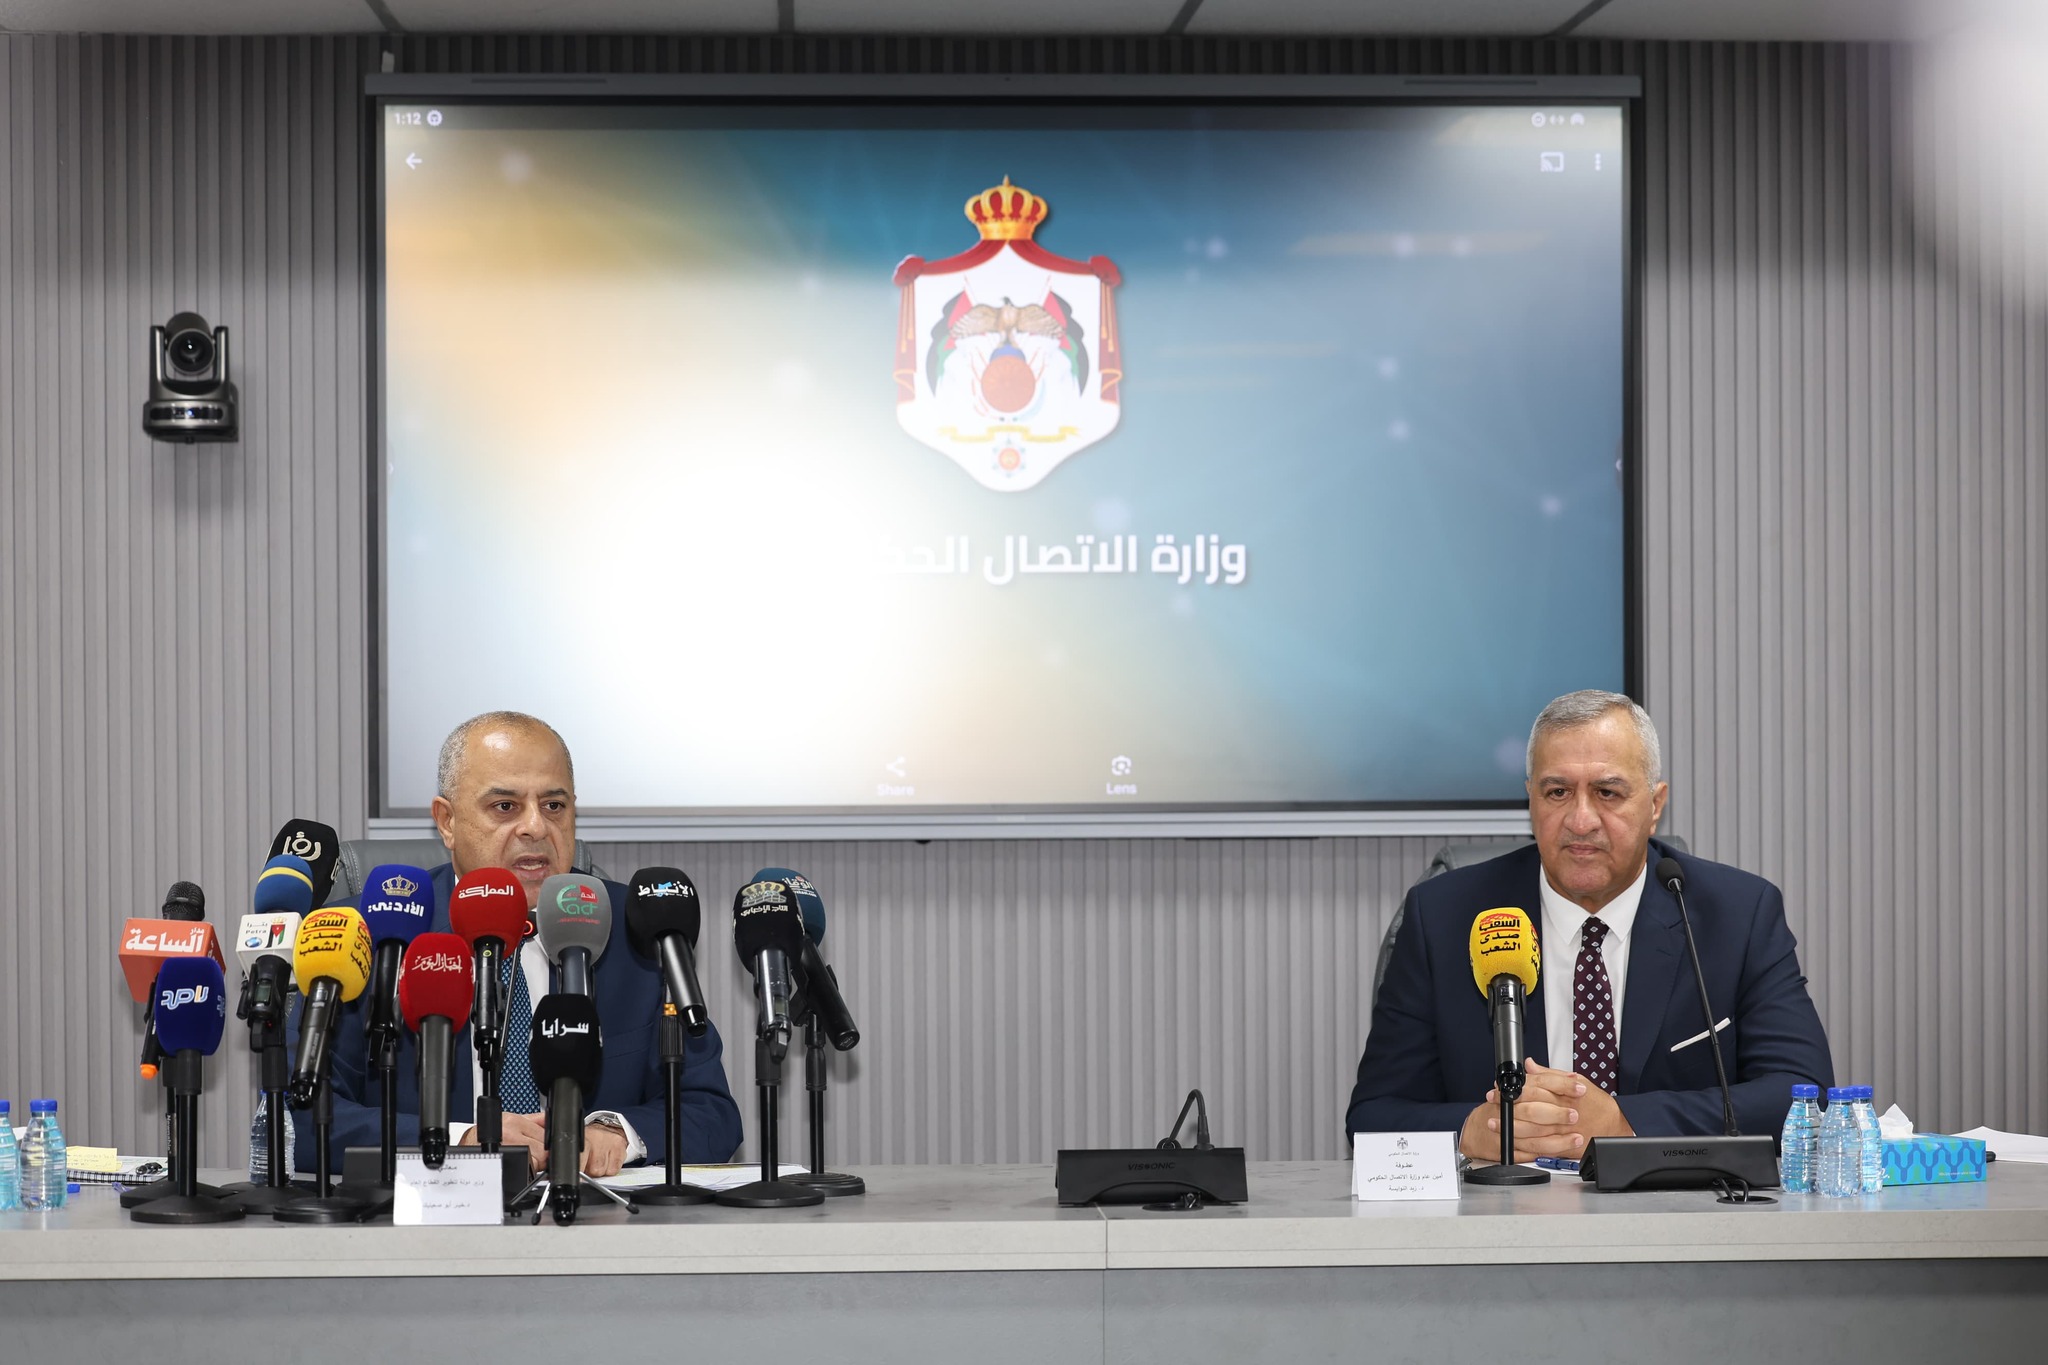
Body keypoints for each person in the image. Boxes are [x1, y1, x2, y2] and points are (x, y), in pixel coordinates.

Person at [1346, 690, 1833, 1161]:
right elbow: (1373, 1116)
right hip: (1498, 1208)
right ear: (1531, 801)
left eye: (1607, 792)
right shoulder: (1445, 917)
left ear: (1655, 805)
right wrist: (1472, 1130)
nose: (1581, 821)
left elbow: (1807, 1096)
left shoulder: (1737, 915)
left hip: (1673, 1209)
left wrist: (1624, 1123)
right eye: (1557, 792)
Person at [293, 712, 743, 1176]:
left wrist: (617, 1132)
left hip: (597, 1213)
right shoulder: (371, 934)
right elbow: (300, 1119)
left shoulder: (638, 927)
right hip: (430, 1211)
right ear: (447, 822)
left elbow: (712, 1112)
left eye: (554, 805)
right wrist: (460, 1138)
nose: (535, 827)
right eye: (505, 806)